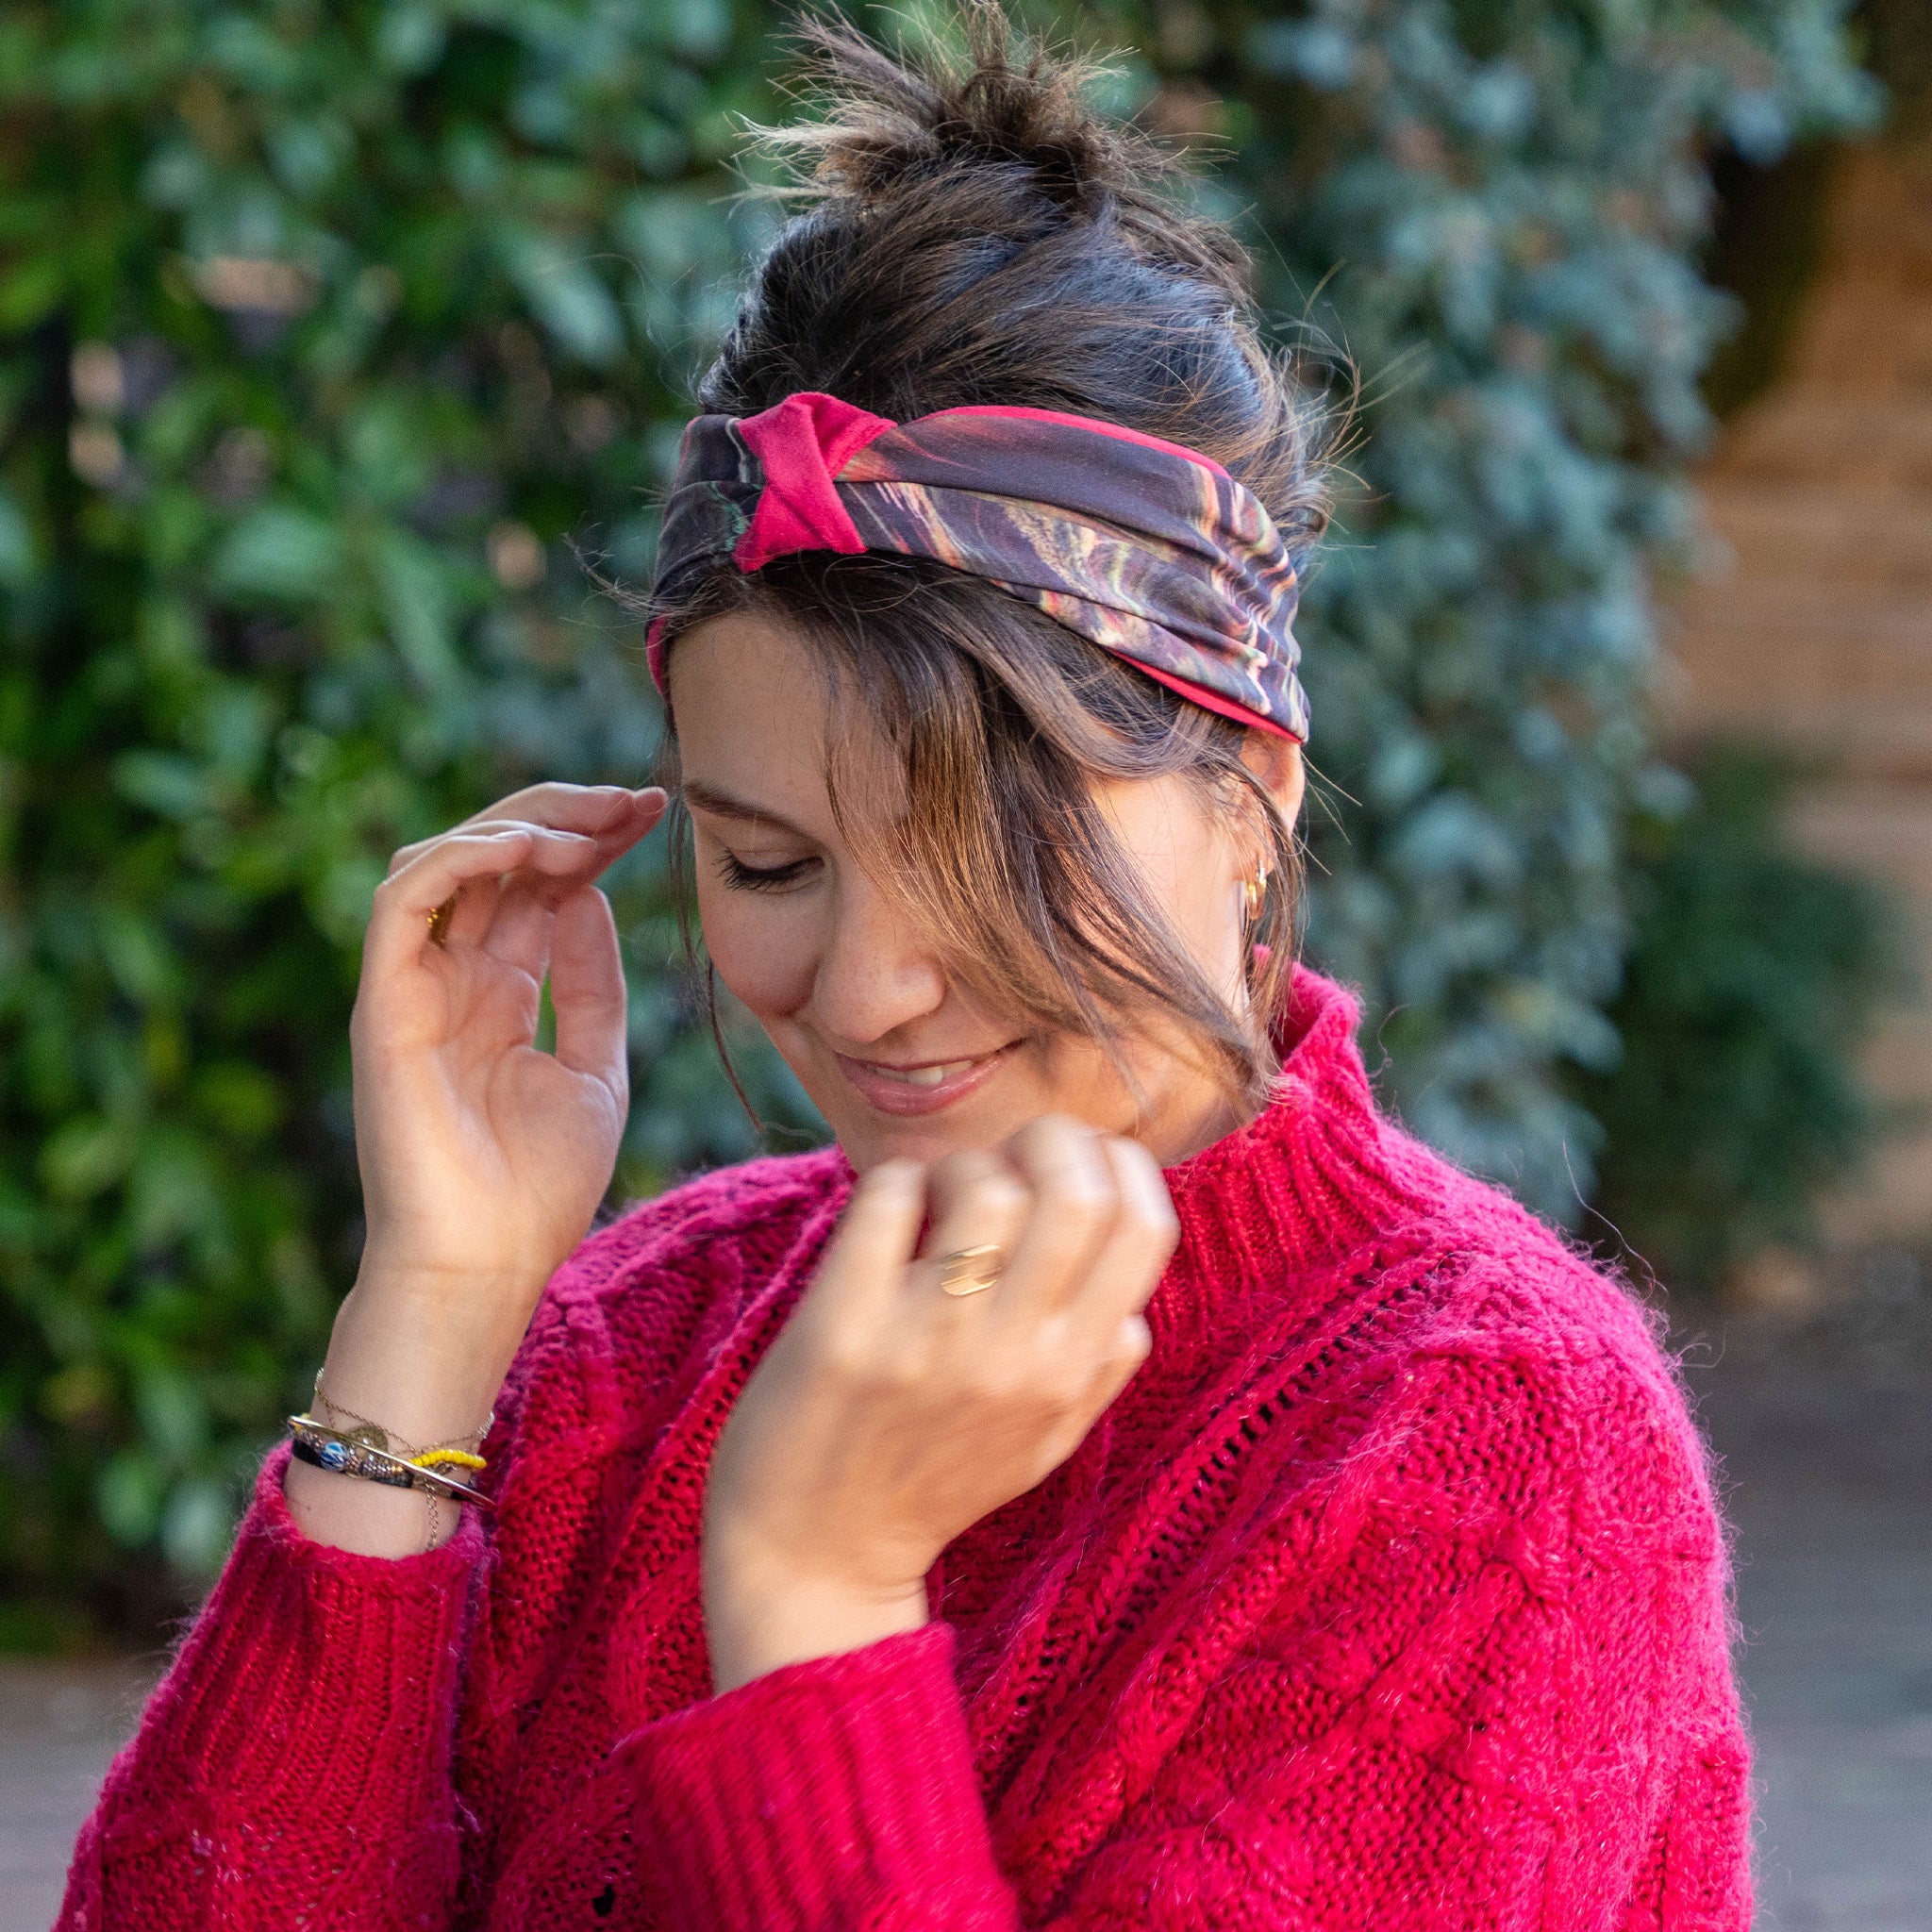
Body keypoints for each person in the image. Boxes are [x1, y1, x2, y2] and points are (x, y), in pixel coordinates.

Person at [58, 9, 1751, 1928]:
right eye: (767, 860)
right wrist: (431, 1324)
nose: (864, 992)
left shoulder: (1489, 1449)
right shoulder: (639, 1338)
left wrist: (815, 1601)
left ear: (1245, 794)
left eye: (986, 850)